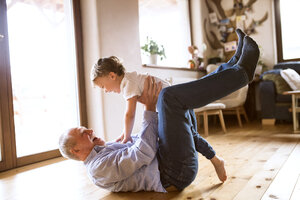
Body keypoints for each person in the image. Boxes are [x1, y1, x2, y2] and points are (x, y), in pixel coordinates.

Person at [59, 30, 259, 192]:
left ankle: (235, 64)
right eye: (83, 133)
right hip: (172, 174)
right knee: (168, 98)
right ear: (76, 151)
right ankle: (240, 73)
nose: (90, 131)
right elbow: (144, 153)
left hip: (170, 159)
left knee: (174, 105)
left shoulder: (106, 148)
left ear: (112, 76)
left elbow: (142, 139)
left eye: (86, 128)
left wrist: (134, 132)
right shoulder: (98, 168)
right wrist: (149, 109)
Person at [90, 56, 170, 144]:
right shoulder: (130, 79)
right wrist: (125, 132)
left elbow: (129, 114)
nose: (105, 91)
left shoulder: (128, 83)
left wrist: (127, 136)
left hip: (169, 98)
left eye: (103, 87)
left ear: (112, 76)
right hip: (166, 100)